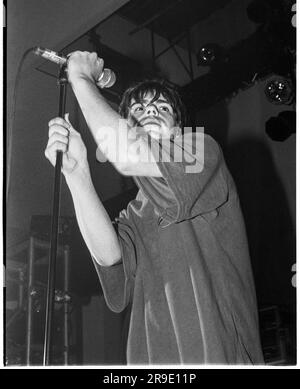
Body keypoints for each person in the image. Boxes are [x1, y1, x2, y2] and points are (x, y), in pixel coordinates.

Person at [45, 51, 264, 365]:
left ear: (176, 129)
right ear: (126, 122)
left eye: (162, 107)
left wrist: (80, 77)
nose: (150, 111)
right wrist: (77, 174)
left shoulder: (201, 150)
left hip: (217, 353)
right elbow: (109, 256)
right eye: (139, 108)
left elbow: (125, 152)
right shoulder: (134, 211)